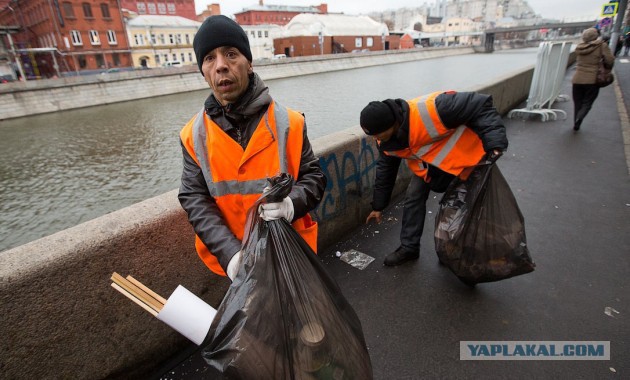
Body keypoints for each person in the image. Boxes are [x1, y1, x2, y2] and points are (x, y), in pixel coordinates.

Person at [178, 15, 327, 279]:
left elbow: (314, 177)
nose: (221, 66)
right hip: (238, 266)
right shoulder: (193, 136)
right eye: (210, 58)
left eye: (231, 54)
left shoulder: (289, 123)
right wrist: (230, 254)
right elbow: (194, 198)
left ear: (249, 63)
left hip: (292, 256)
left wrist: (291, 205)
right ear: (202, 70)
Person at [360, 91, 508, 266]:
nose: (375, 139)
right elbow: (385, 171)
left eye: (377, 134)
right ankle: (409, 248)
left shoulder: (436, 108)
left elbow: (481, 104)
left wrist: (495, 143)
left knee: (457, 207)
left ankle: (451, 250)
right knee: (413, 197)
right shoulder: (384, 142)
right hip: (429, 167)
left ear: (391, 124)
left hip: (464, 161)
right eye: (372, 135)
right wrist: (378, 206)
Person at [571, 27, 615, 132]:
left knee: (578, 102)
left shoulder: (579, 47)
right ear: (595, 36)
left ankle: (576, 122)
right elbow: (610, 60)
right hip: (592, 80)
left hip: (577, 79)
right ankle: (579, 119)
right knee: (587, 102)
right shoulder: (601, 46)